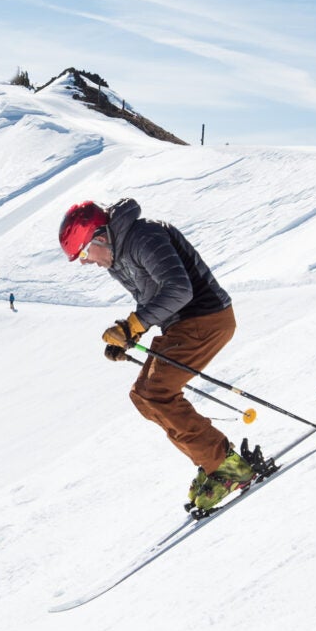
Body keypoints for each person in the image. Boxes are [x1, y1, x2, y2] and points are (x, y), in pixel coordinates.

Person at [60, 199, 253, 514]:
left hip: (205, 318)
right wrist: (129, 333)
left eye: (83, 253)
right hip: (180, 326)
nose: (85, 263)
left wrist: (134, 325)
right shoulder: (117, 258)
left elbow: (179, 290)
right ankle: (213, 462)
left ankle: (227, 468)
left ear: (98, 237)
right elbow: (153, 298)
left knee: (158, 392)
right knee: (142, 395)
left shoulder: (144, 236)